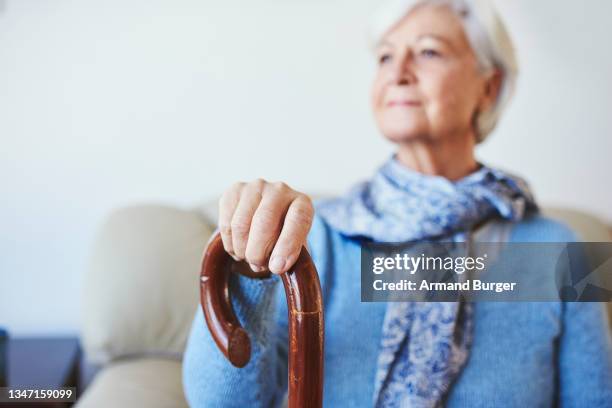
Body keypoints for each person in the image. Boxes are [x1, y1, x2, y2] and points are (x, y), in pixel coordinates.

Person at [183, 0, 612, 406]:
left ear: (489, 86)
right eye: (385, 57)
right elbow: (223, 402)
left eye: (428, 52)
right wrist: (245, 270)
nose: (399, 72)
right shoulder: (313, 238)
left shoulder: (563, 251)